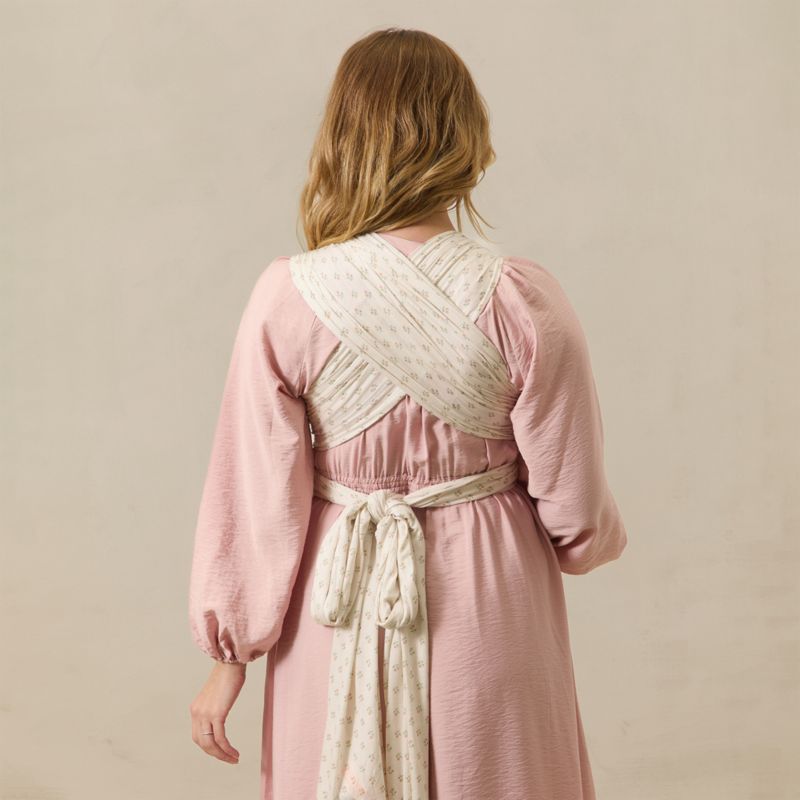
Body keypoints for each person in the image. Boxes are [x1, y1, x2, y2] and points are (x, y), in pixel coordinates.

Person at [187, 26, 627, 800]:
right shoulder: (522, 299)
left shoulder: (287, 297)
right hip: (487, 600)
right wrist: (581, 539)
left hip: (336, 600)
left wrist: (229, 659)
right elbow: (576, 512)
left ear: (342, 138)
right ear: (465, 137)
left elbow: (254, 492)